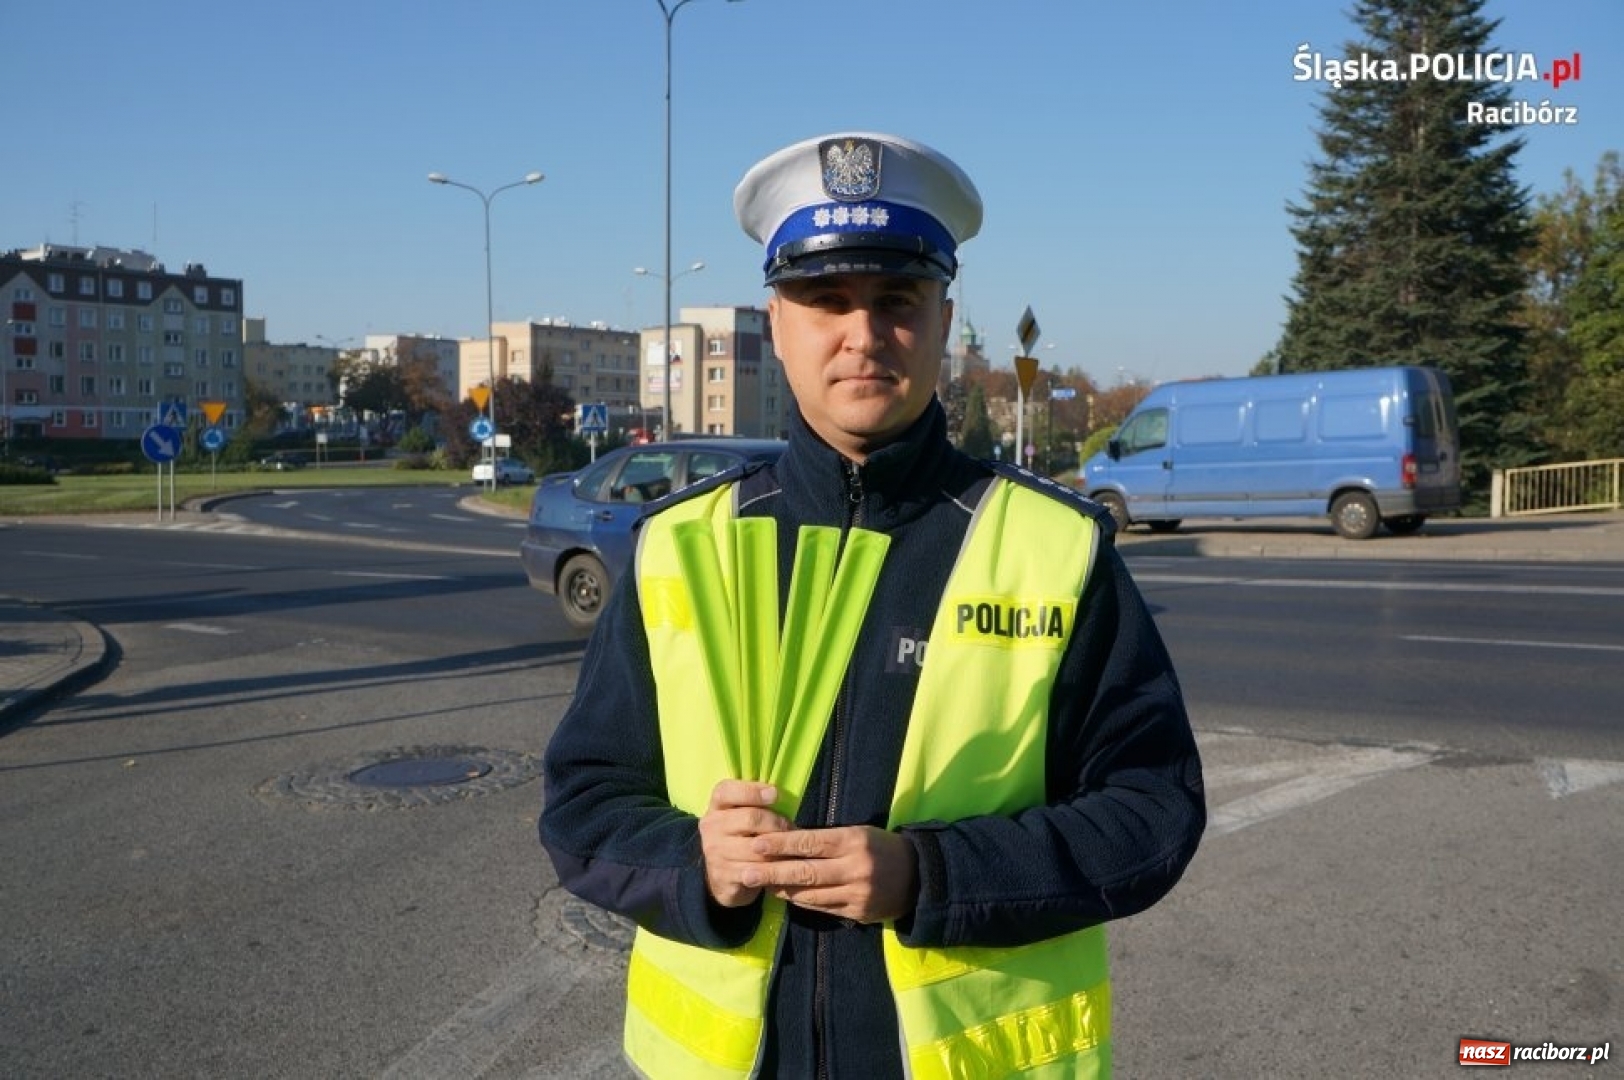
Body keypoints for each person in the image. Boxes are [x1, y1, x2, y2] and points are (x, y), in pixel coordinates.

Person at [541, 132, 1205, 1079]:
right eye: (826, 301)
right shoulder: (679, 547)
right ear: (776, 322)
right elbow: (584, 805)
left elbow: (1152, 811)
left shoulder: (1055, 548)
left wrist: (928, 876)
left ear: (942, 318)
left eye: (896, 300)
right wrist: (700, 863)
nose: (863, 333)